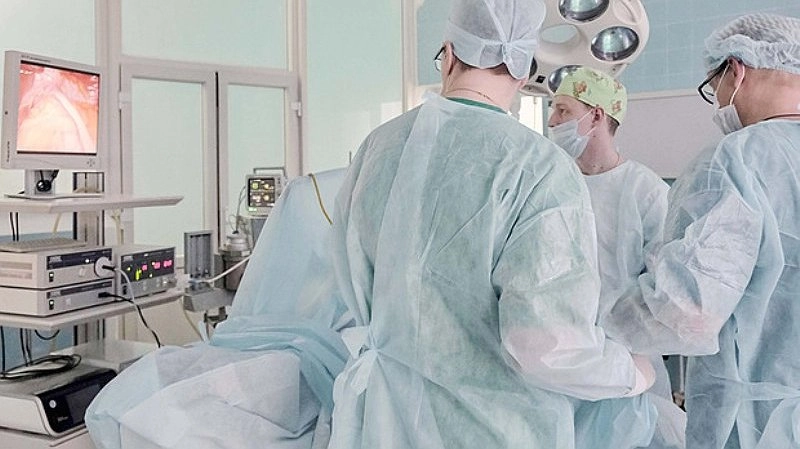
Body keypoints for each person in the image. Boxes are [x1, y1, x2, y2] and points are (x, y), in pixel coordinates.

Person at [325, 0, 657, 448]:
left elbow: (346, 276)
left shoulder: (376, 148)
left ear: (449, 55)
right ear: (523, 72)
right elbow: (544, 344)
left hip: (378, 422)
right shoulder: (538, 167)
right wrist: (630, 373)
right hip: (491, 430)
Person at [601, 13, 800, 449]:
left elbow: (686, 307)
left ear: (735, 71)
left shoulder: (739, 161)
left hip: (758, 422)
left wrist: (599, 325)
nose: (719, 102)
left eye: (714, 87)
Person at [548, 67, 686, 449]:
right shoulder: (552, 183)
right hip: (561, 355)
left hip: (628, 361)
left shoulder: (645, 192)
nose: (552, 120)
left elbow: (664, 286)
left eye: (562, 109)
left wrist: (620, 342)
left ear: (596, 115)